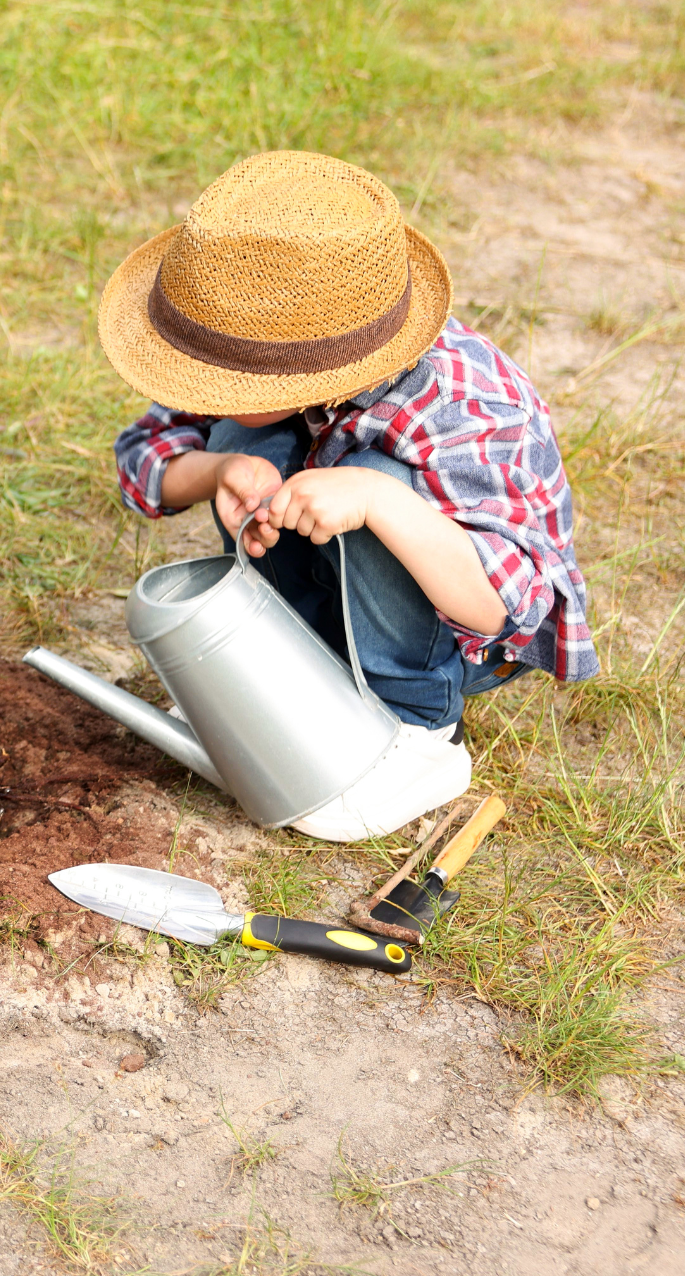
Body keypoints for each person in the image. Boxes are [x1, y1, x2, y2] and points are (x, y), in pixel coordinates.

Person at [102, 150, 595, 840]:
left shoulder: (462, 407)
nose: (201, 391)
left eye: (219, 382)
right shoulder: (253, 354)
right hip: (333, 596)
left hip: (453, 636)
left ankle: (419, 732)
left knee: (381, 484)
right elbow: (142, 459)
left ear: (307, 366)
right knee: (247, 448)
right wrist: (217, 474)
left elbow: (505, 607)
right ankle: (300, 662)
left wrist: (373, 500)